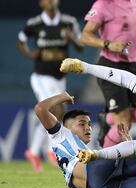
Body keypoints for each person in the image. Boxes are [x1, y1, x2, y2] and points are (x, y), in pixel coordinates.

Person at [80, 0, 136, 147]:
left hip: (134, 66)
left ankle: (108, 118)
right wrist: (108, 44)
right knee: (124, 124)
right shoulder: (104, 4)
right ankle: (106, 159)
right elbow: (85, 36)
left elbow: (135, 31)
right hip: (111, 67)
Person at [16, 0, 83, 172]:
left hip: (60, 77)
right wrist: (29, 53)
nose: (51, 1)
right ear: (41, 3)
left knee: (56, 112)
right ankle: (44, 151)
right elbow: (21, 40)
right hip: (41, 76)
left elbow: (80, 47)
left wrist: (72, 39)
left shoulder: (69, 22)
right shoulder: (34, 24)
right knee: (55, 110)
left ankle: (37, 151)